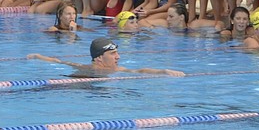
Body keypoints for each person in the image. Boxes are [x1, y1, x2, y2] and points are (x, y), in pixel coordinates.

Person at [27, 37, 184, 77]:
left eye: (117, 52)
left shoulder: (115, 70)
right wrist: (38, 56)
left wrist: (163, 71)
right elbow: (59, 62)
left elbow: (139, 71)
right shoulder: (86, 69)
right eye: (113, 53)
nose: (118, 57)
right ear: (99, 58)